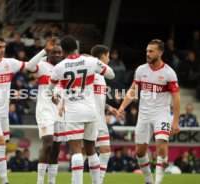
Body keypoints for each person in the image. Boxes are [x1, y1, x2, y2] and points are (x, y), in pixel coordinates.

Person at [0, 34, 56, 184]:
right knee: (0, 144)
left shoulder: (10, 63)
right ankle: (5, 181)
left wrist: (44, 52)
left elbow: (30, 65)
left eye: (3, 46)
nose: (2, 49)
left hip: (3, 112)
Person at [48, 35, 115, 184]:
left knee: (77, 151)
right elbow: (111, 74)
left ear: (63, 50)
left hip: (73, 112)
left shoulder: (59, 67)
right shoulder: (90, 62)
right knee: (91, 150)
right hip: (91, 111)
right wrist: (97, 66)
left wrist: (52, 96)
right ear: (76, 48)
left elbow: (50, 89)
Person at [118, 39, 180, 184]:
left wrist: (175, 121)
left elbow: (176, 99)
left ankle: (157, 183)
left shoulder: (169, 73)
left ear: (160, 52)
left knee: (161, 147)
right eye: (147, 51)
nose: (148, 54)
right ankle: (149, 180)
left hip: (161, 115)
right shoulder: (141, 70)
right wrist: (122, 107)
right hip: (144, 115)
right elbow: (133, 90)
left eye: (151, 51)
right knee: (139, 151)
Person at [26, 44, 66, 184]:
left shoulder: (64, 69)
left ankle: (51, 182)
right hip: (45, 111)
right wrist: (43, 51)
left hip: (60, 113)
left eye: (59, 52)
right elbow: (29, 66)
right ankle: (40, 181)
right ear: (49, 54)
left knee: (55, 150)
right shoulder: (42, 66)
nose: (56, 55)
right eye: (54, 52)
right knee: (47, 145)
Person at [91, 44, 119, 183]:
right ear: (102, 57)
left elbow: (98, 98)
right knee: (84, 153)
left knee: (106, 150)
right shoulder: (90, 73)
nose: (109, 59)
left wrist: (109, 107)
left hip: (101, 119)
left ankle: (99, 182)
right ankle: (75, 179)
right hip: (90, 119)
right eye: (107, 56)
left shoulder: (101, 76)